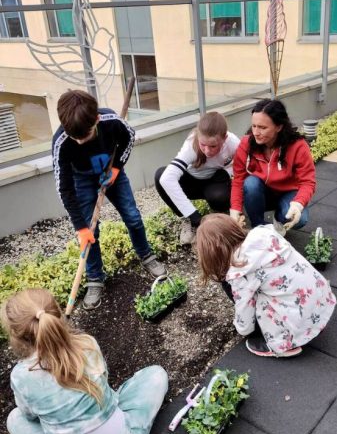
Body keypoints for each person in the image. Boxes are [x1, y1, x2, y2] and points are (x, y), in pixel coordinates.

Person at [3, 288, 168, 434]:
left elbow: (29, 416)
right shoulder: (87, 344)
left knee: (14, 419)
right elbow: (104, 382)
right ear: (58, 315)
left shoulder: (21, 377)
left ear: (17, 336)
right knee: (156, 375)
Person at [52, 90, 167, 310]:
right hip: (82, 180)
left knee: (133, 217)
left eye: (84, 136)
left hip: (110, 172)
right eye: (75, 138)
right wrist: (80, 228)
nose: (79, 141)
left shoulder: (110, 121)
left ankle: (146, 255)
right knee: (90, 233)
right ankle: (95, 278)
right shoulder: (62, 142)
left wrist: (116, 169)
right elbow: (64, 189)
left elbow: (129, 138)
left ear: (95, 120)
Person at [195, 213, 335, 358]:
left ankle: (281, 345)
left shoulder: (239, 272)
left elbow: (245, 317)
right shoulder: (264, 234)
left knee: (235, 289)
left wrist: (241, 327)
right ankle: (312, 322)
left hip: (298, 321)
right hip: (321, 298)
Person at [230, 99, 315, 235]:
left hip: (288, 192)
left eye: (263, 127)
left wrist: (297, 205)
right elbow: (238, 179)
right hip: (262, 192)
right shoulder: (247, 143)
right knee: (250, 183)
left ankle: (279, 219)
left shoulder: (298, 146)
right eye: (254, 126)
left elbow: (308, 182)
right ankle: (259, 228)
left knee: (300, 220)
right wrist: (234, 210)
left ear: (279, 127)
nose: (256, 132)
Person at [155, 111, 241, 245]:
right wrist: (194, 216)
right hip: (191, 181)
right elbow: (167, 178)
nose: (207, 151)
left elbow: (244, 167)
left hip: (213, 181)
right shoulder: (191, 145)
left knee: (220, 196)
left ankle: (219, 218)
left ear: (224, 138)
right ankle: (186, 218)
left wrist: (228, 173)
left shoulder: (233, 143)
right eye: (203, 145)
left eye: (213, 146)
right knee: (160, 174)